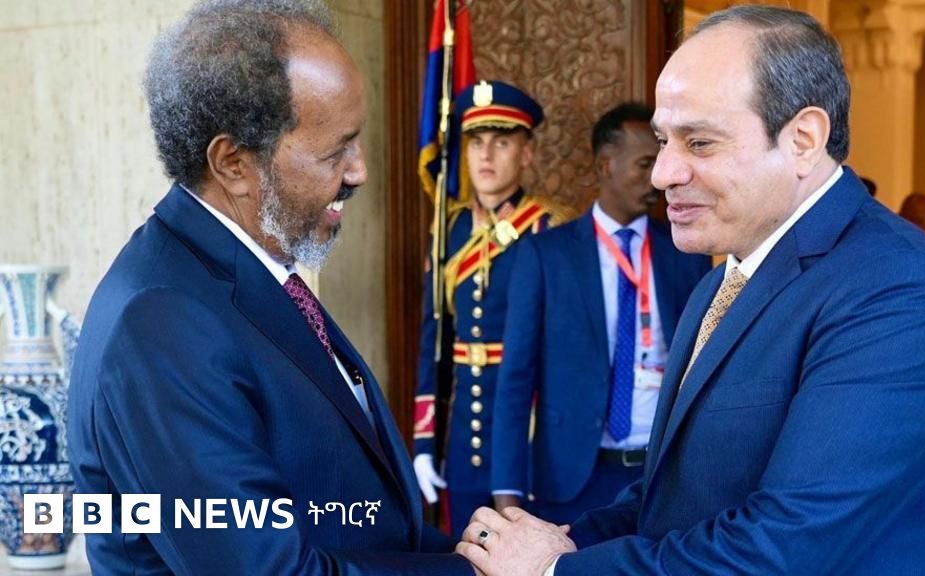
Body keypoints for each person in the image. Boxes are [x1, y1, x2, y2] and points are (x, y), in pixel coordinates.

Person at [455, 6, 925, 575]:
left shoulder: (899, 293)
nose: (663, 172)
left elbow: (782, 548)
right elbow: (674, 497)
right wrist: (555, 542)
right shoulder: (723, 279)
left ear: (804, 140)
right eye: (664, 140)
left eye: (699, 143)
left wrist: (554, 570)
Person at [67, 1, 472, 573]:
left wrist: (481, 553)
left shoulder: (246, 273)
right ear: (233, 162)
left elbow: (355, 520)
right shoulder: (160, 323)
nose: (358, 171)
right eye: (335, 151)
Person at [489, 103, 710, 525]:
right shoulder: (545, 256)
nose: (658, 177)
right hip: (574, 478)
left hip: (662, 475)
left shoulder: (685, 254)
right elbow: (515, 381)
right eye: (645, 163)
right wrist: (507, 499)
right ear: (606, 165)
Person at [413, 80, 572, 536]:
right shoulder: (450, 230)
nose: (485, 155)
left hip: (529, 434)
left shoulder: (549, 228)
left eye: (501, 143)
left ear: (527, 154)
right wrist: (425, 441)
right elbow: (434, 339)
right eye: (475, 142)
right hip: (463, 439)